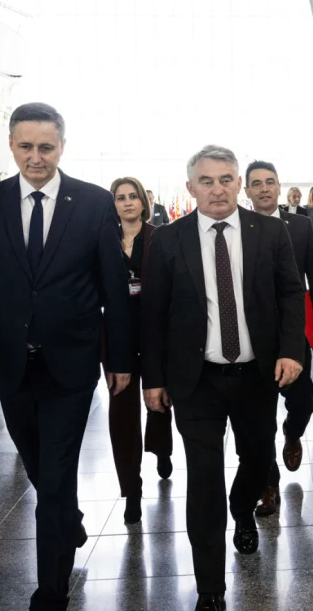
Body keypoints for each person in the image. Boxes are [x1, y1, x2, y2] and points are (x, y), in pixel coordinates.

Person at [0, 103, 132, 611]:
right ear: (11, 146)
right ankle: (69, 520)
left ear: (62, 146)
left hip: (71, 366)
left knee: (54, 476)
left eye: (47, 147)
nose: (36, 157)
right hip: (9, 363)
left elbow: (114, 290)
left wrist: (118, 359)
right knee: (38, 466)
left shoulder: (94, 203)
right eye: (26, 146)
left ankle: (51, 590)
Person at [141, 145, 304, 611]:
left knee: (256, 461)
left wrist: (292, 351)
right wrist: (154, 378)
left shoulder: (269, 232)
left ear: (239, 184)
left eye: (226, 179)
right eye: (207, 181)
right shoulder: (168, 239)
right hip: (196, 382)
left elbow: (292, 293)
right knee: (204, 479)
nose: (218, 189)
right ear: (191, 187)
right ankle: (210, 587)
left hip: (256, 375)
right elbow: (152, 314)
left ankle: (243, 510)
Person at [244, 161, 313, 516]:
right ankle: (268, 484)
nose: (264, 188)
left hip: (293, 329)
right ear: (246, 190)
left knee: (303, 400)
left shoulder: (298, 227)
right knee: (258, 413)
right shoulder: (237, 227)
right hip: (252, 335)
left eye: (270, 182)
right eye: (256, 184)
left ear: (279, 187)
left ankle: (293, 431)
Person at [110, 177, 174, 524]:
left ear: (143, 202)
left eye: (133, 196)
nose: (128, 202)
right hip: (118, 337)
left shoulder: (159, 236)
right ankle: (131, 490)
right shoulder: (104, 240)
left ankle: (162, 451)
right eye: (121, 197)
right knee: (121, 414)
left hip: (155, 333)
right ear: (114, 203)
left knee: (159, 402)